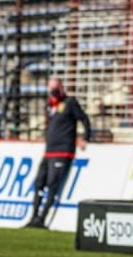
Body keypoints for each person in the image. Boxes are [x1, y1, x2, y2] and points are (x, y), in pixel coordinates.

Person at [28, 78, 90, 229]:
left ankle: (43, 219)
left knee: (52, 184)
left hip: (63, 151)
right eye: (51, 88)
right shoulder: (51, 104)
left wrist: (85, 138)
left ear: (61, 88)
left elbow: (84, 119)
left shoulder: (70, 103)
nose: (54, 91)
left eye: (56, 88)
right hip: (49, 151)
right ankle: (34, 217)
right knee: (38, 184)